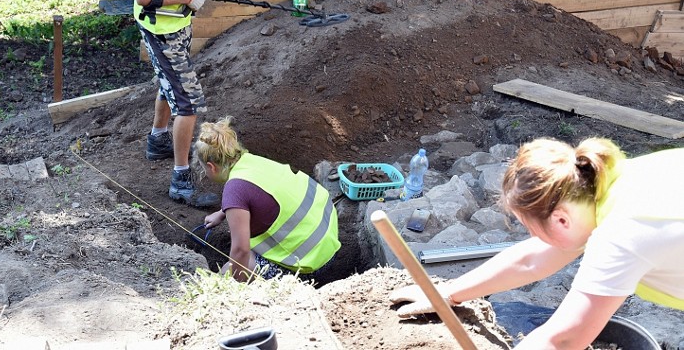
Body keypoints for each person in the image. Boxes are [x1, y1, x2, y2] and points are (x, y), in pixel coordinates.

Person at [388, 137, 684, 349]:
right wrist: (449, 293)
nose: (534, 239)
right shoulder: (605, 183)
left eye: (533, 229)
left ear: (560, 220)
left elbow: (564, 340)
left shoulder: (623, 233)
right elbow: (531, 259)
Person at [133, 0, 233, 208]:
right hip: (161, 27)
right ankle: (180, 181)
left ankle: (158, 140)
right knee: (187, 103)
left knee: (170, 83)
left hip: (175, 23)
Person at [193, 117, 341, 282]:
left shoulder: (234, 190)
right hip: (330, 245)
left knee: (228, 272)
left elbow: (241, 250)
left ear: (211, 167)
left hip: (309, 267)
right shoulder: (253, 162)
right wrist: (222, 212)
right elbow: (256, 193)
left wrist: (234, 287)